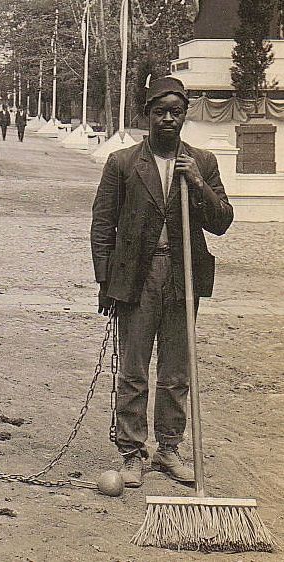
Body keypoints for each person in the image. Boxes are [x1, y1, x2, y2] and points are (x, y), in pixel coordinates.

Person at [90, 77, 233, 488]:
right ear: (146, 115)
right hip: (138, 275)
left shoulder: (202, 162)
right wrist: (106, 282)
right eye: (160, 111)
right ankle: (132, 452)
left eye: (176, 111)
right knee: (133, 369)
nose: (168, 119)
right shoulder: (122, 162)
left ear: (185, 115)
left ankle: (168, 449)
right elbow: (103, 226)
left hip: (184, 275)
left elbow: (222, 222)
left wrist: (199, 185)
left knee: (176, 371)